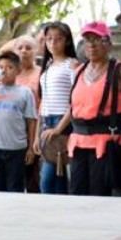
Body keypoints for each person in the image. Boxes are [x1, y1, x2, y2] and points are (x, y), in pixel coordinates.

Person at [43, 22, 119, 196]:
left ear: (108, 44)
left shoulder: (117, 71)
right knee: (77, 194)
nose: (92, 44)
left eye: (98, 39)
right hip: (78, 142)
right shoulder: (79, 71)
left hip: (105, 143)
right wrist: (58, 129)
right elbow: (74, 106)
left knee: (99, 196)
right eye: (87, 40)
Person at [0, 52, 38, 192]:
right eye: (1, 67)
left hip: (16, 149)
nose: (4, 71)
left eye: (9, 67)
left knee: (15, 188)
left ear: (18, 71)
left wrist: (31, 147)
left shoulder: (25, 92)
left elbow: (31, 120)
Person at [35, 22, 80, 194]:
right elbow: (43, 102)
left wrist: (59, 128)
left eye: (58, 39)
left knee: (47, 179)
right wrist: (36, 136)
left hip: (63, 122)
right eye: (49, 39)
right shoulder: (47, 67)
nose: (53, 43)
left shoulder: (72, 64)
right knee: (58, 178)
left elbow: (76, 100)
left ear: (67, 41)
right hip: (46, 122)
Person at [12, 35, 43, 192]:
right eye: (20, 48)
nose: (24, 51)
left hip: (37, 129)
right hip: (13, 132)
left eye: (29, 48)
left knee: (34, 177)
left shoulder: (41, 73)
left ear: (36, 51)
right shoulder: (9, 74)